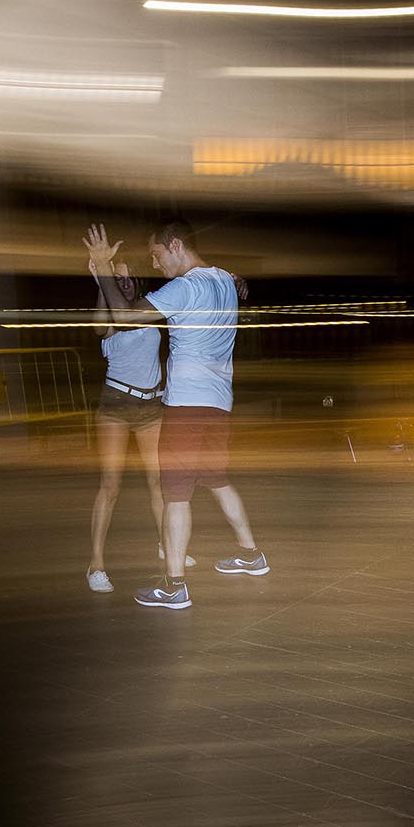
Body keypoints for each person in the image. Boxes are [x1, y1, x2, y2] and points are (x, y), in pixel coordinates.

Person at [83, 220, 268, 611]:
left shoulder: (185, 286)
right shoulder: (221, 279)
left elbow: (129, 318)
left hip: (186, 405)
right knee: (217, 480)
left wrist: (101, 270)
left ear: (175, 245)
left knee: (175, 494)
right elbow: (237, 284)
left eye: (157, 254)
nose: (155, 262)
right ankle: (251, 555)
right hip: (219, 403)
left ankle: (174, 584)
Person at [84, 254, 166, 594]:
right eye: (118, 279)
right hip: (117, 404)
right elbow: (100, 328)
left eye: (129, 277)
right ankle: (96, 565)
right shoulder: (113, 316)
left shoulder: (147, 307)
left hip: (151, 405)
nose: (125, 282)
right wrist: (103, 286)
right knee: (111, 486)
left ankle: (168, 546)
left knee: (158, 482)